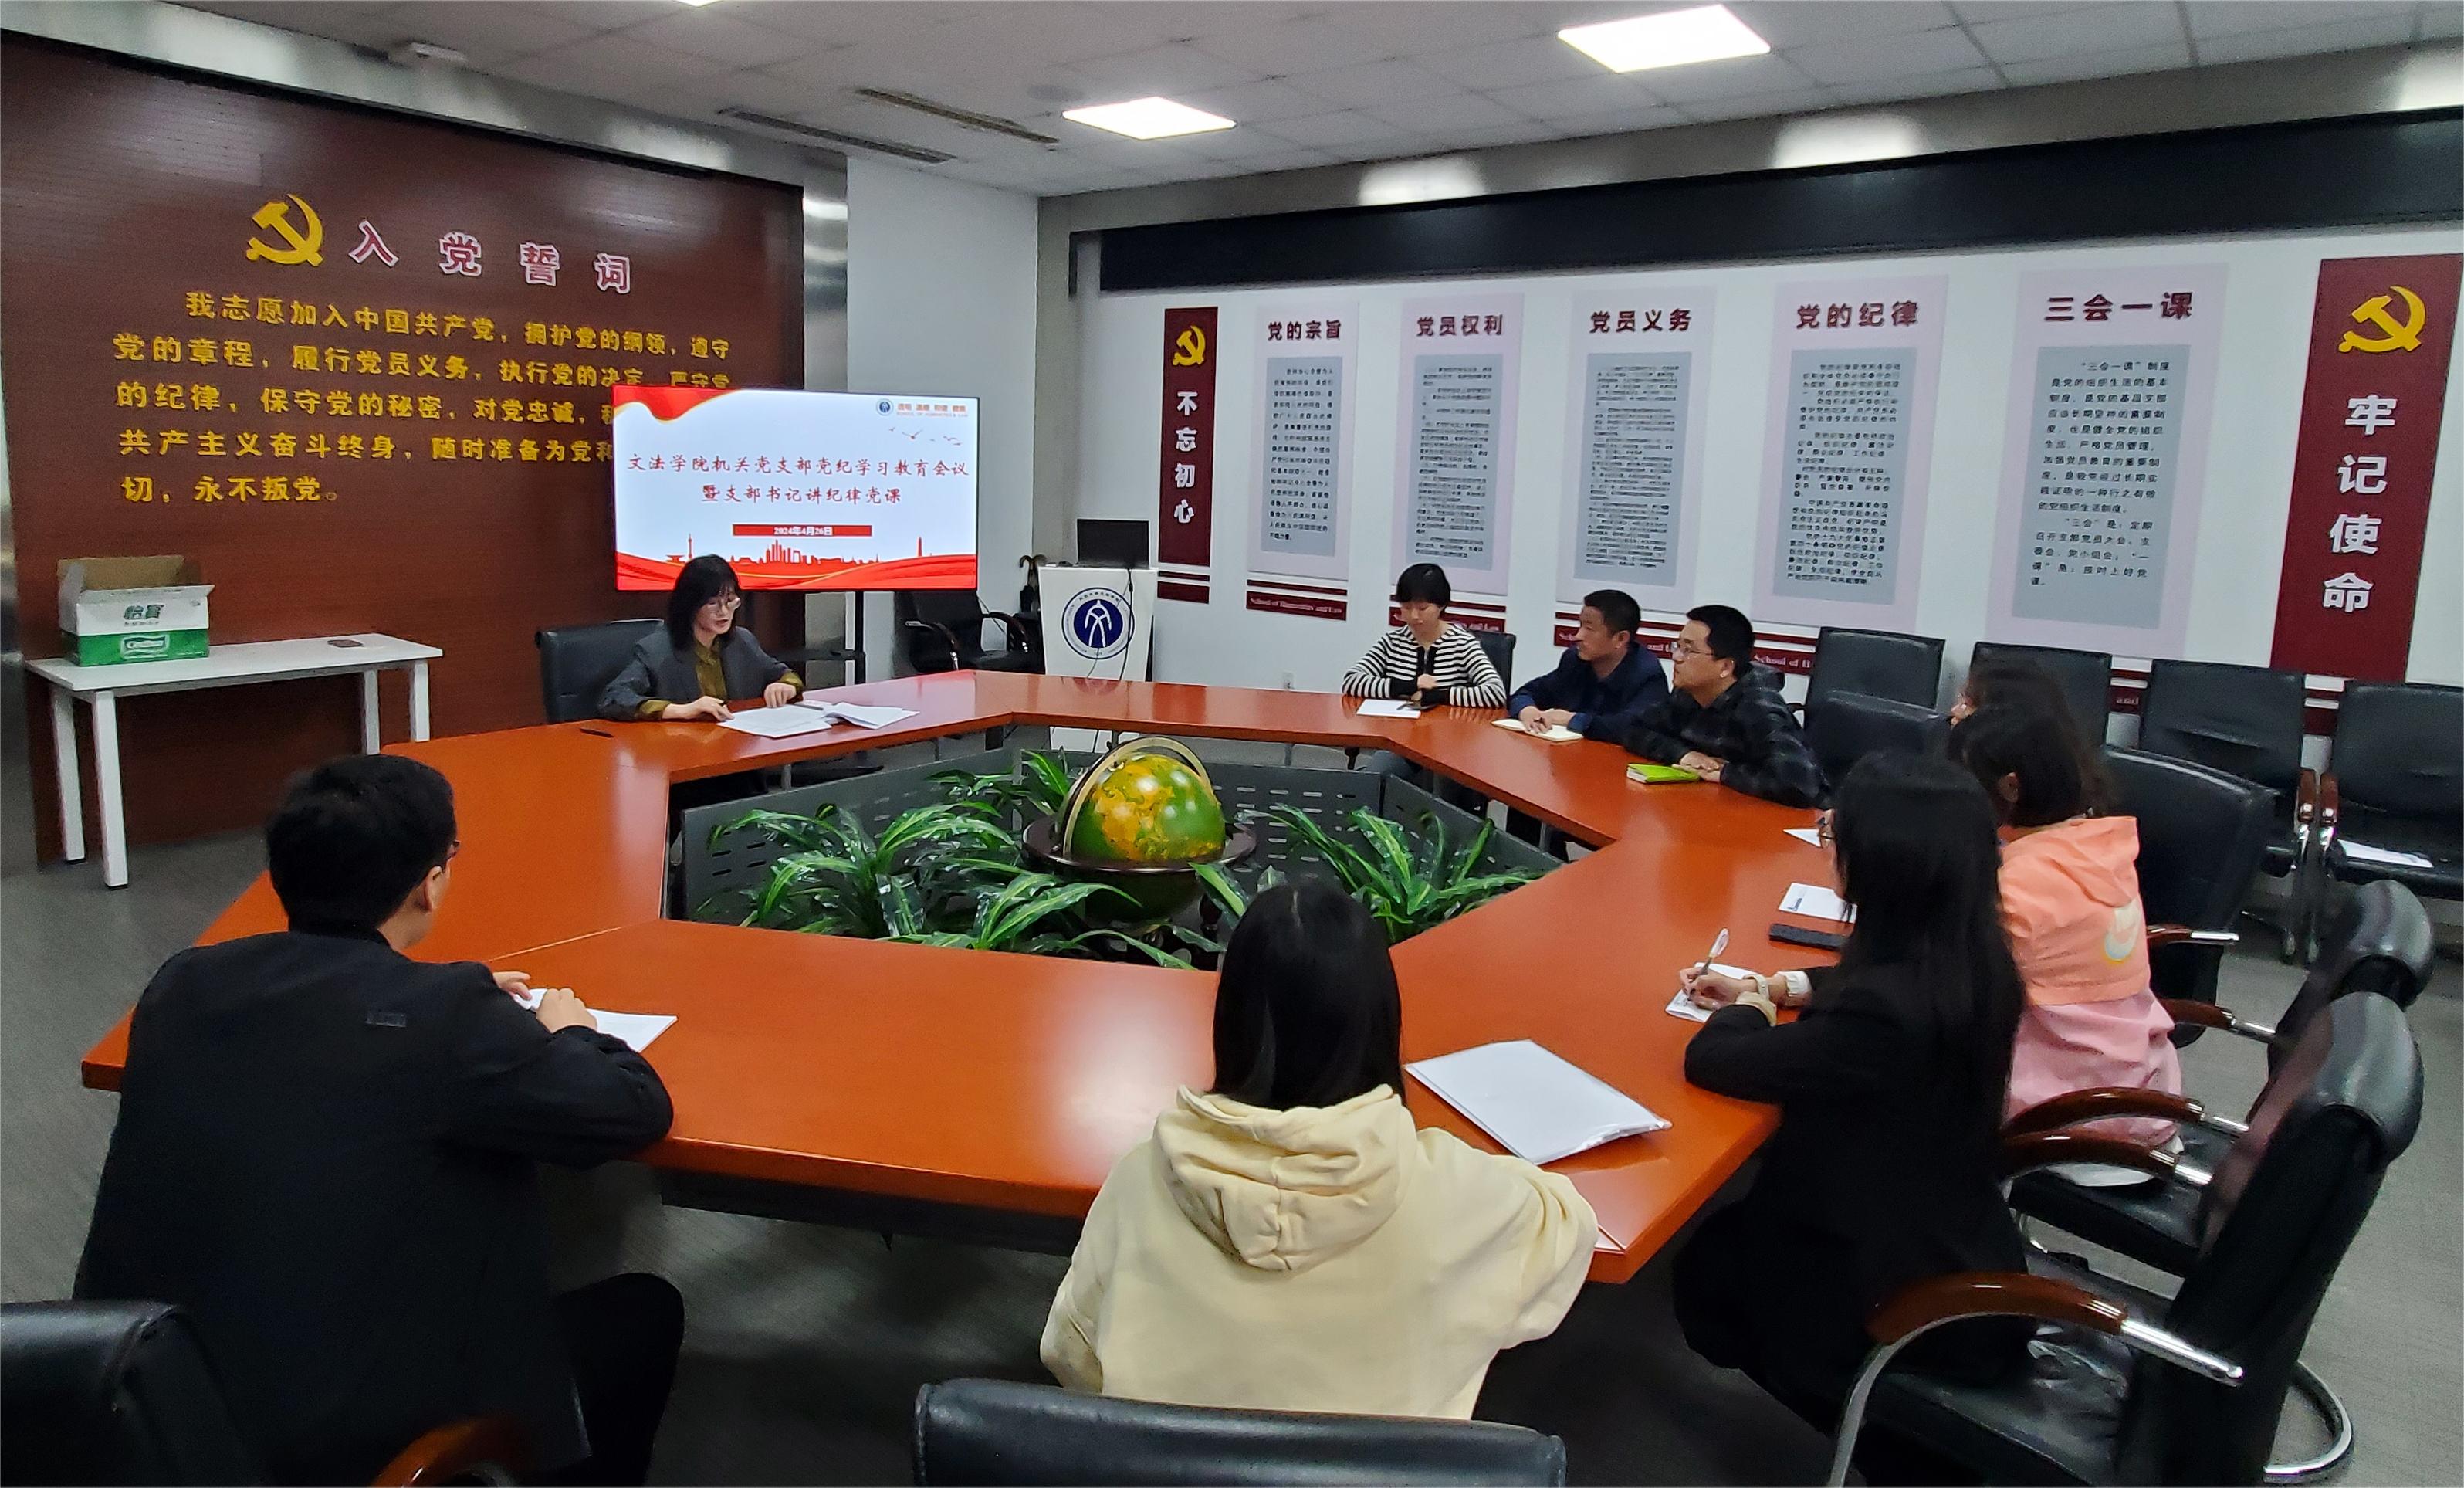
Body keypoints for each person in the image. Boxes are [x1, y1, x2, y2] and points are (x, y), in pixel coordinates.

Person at [76, 755, 681, 1486]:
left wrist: (438, 997)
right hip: (329, 1444)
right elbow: (631, 1107)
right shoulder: (447, 1019)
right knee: (643, 1313)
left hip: (142, 1404)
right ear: (430, 883)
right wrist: (569, 1030)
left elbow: (330, 1039)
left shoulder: (183, 981)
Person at [1041, 882, 1595, 1419]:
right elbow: (1568, 1228)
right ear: (1380, 1021)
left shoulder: (1141, 1181)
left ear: (1232, 1020)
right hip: (1382, 1466)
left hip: (1168, 1466)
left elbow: (1071, 1352)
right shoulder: (1459, 1194)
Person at [1671, 753, 2029, 1443]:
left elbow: (1714, 1060)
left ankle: (1897, 1443)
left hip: (1889, 1287)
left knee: (1704, 1273)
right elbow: (1881, 984)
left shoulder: (1883, 1015)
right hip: (1954, 1231)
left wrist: (1748, 1007)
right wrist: (1782, 985)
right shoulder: (1977, 958)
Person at [1954, 698, 2181, 1172]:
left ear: (2010, 787)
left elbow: (1940, 988)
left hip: (2069, 1125)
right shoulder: (2103, 847)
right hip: (2141, 1093)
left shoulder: (2017, 886)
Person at [1622, 604, 1826, 807]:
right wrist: (1683, 755)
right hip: (1715, 805)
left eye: (1689, 650)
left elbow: (1800, 786)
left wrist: (1725, 773)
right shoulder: (1688, 693)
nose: (1676, 657)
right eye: (1678, 646)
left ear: (1726, 667)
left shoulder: (1759, 708)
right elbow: (1634, 729)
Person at [599, 554, 800, 721]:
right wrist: (680, 710)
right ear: (690, 605)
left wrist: (787, 686)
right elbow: (614, 698)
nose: (724, 612)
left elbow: (784, 674)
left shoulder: (742, 641)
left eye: (730, 601)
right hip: (683, 747)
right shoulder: (656, 650)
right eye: (713, 603)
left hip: (736, 744)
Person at [1342, 563, 1508, 710]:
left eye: (1423, 608)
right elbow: (1351, 681)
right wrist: (1409, 686)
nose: (1414, 616)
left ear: (1441, 605)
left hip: (1447, 730)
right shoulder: (1392, 642)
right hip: (1397, 729)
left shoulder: (1463, 644)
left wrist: (1438, 696)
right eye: (1406, 607)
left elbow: (1496, 693)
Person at [1508, 588, 1668, 740]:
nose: (1578, 636)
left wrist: (1572, 719)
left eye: (1589, 629)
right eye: (1580, 625)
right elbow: (1526, 693)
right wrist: (1527, 710)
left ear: (1620, 638)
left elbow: (1634, 728)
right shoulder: (1574, 660)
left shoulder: (1647, 674)